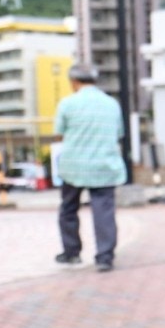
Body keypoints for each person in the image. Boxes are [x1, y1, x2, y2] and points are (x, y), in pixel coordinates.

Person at [53, 63, 127, 271]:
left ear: (74, 82)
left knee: (68, 209)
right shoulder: (111, 104)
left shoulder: (67, 104)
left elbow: (59, 133)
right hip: (104, 165)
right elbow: (119, 133)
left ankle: (72, 253)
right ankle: (104, 257)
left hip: (74, 166)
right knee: (103, 211)